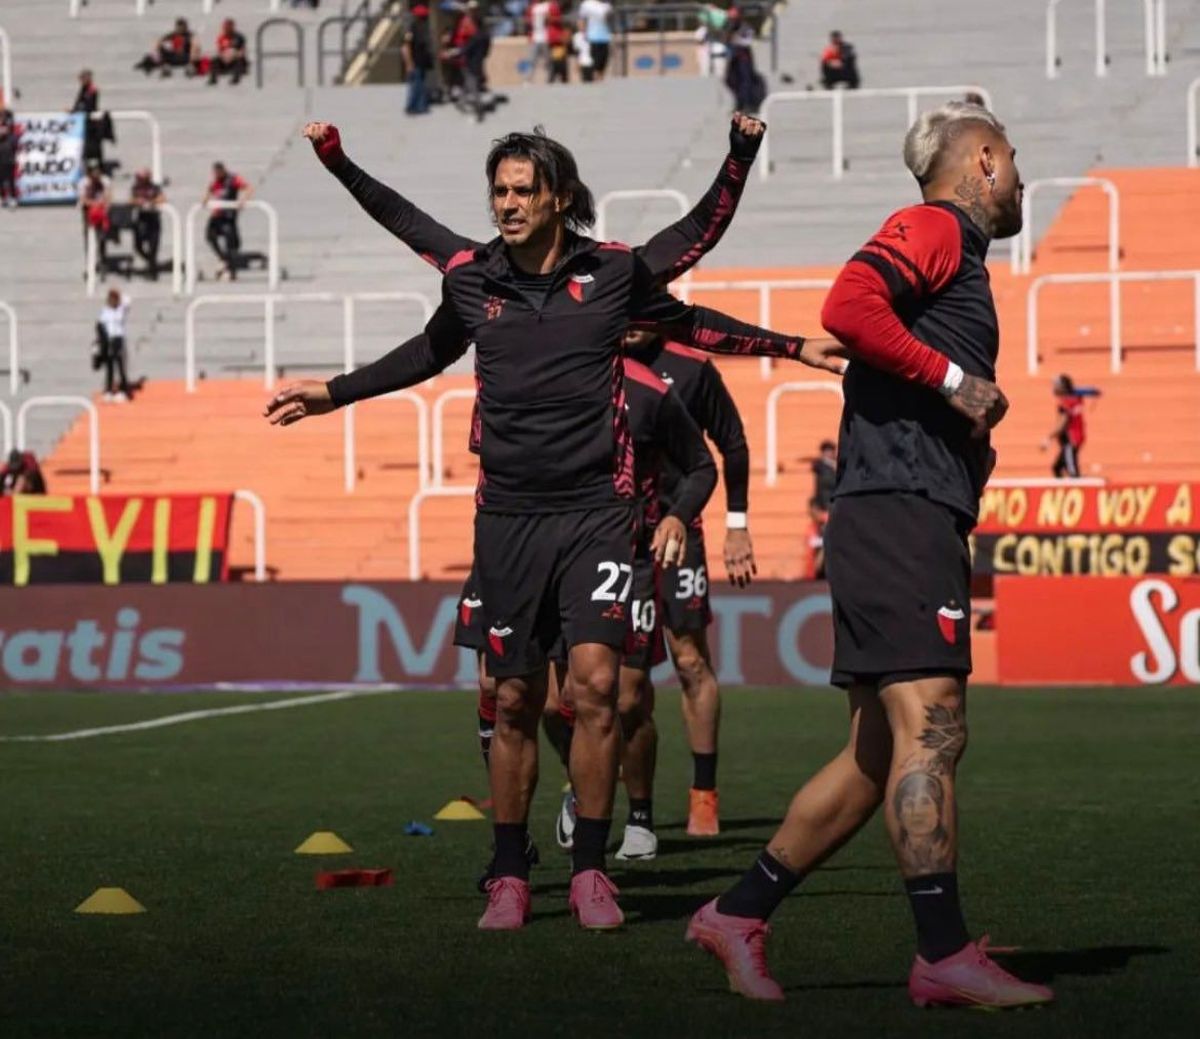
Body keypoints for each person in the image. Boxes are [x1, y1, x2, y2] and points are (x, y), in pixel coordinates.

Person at [266, 118, 849, 933]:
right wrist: (334, 386)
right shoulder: (471, 277)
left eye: (521, 190)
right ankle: (509, 872)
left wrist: (791, 337)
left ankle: (590, 871)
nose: (506, 203)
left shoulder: (610, 273)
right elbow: (414, 287)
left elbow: (697, 294)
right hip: (507, 518)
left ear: (557, 197)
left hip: (597, 518)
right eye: (497, 190)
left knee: (600, 692)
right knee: (510, 698)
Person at [686, 101, 1049, 1011]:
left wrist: (964, 430)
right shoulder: (932, 224)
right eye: (1012, 159)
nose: (1021, 177)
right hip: (898, 511)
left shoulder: (957, 256)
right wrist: (956, 382)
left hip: (898, 507)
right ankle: (942, 952)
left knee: (876, 750)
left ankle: (737, 914)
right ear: (983, 162)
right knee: (934, 725)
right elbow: (846, 306)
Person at [467, 352, 717, 876]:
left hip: (615, 550)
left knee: (619, 696)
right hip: (520, 541)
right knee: (523, 695)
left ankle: (638, 819)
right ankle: (561, 809)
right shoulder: (519, 367)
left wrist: (677, 517)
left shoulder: (649, 390)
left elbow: (705, 462)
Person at [622, 329, 755, 836]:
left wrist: (737, 527)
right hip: (610, 535)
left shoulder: (693, 369)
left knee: (691, 660)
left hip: (680, 529)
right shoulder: (591, 358)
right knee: (609, 680)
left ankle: (704, 794)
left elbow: (733, 445)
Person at [203, 163, 253, 281]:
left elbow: (248, 188)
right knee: (210, 236)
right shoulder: (216, 181)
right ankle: (222, 258)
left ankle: (231, 270)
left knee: (231, 244)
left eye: (218, 172)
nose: (216, 175)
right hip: (217, 215)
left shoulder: (233, 179)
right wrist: (205, 200)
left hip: (228, 216)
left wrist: (243, 200)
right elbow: (209, 191)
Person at [1042, 374, 1097, 478]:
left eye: (1056, 385)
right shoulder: (1075, 398)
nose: (1053, 387)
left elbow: (1063, 423)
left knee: (1072, 472)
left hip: (1071, 440)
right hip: (1077, 437)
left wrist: (1049, 437)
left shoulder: (1065, 403)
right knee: (1057, 468)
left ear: (1062, 387)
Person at [96, 289, 133, 402]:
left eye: (114, 299)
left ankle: (123, 391)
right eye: (110, 299)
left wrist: (120, 297)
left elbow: (128, 300)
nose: (112, 302)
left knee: (120, 366)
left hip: (118, 339)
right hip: (108, 340)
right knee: (110, 366)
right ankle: (108, 390)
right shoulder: (104, 311)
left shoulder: (121, 309)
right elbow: (100, 325)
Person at [724, 15, 765, 114]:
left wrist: (736, 39)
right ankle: (739, 102)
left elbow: (748, 41)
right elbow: (727, 40)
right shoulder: (730, 28)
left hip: (744, 59)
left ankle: (746, 105)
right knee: (730, 80)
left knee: (745, 82)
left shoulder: (746, 28)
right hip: (734, 58)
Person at [808, 439, 836, 578]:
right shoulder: (823, 468)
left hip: (831, 509)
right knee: (826, 539)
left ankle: (821, 568)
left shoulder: (832, 467)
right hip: (826, 509)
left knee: (828, 540)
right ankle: (819, 569)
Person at [130, 170, 166, 278]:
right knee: (138, 246)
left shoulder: (154, 187)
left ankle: (153, 270)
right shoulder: (135, 188)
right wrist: (138, 201)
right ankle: (151, 263)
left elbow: (162, 198)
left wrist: (152, 202)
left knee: (153, 246)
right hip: (141, 219)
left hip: (153, 219)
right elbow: (131, 200)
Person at [135, 19, 201, 77]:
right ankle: (163, 66)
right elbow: (159, 42)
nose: (180, 29)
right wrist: (157, 50)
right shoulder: (172, 35)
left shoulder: (190, 36)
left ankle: (190, 66)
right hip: (172, 57)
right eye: (179, 27)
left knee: (194, 46)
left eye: (182, 27)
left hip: (185, 57)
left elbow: (196, 47)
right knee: (157, 50)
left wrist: (193, 56)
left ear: (185, 27)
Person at [403, 6, 435, 115]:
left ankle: (421, 106)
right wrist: (409, 63)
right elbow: (407, 46)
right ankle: (412, 106)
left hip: (421, 61)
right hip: (416, 61)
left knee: (420, 84)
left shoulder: (422, 28)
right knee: (416, 85)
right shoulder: (413, 29)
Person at [71, 69, 105, 170]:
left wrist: (78, 110)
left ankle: (99, 166)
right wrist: (73, 110)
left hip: (92, 120)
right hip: (83, 119)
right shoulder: (83, 89)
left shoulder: (92, 90)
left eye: (83, 78)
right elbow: (78, 102)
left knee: (95, 145)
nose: (81, 81)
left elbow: (89, 105)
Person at [79, 166, 112, 269]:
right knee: (89, 236)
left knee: (102, 237)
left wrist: (104, 206)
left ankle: (102, 259)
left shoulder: (105, 181)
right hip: (88, 211)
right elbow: (83, 199)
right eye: (94, 176)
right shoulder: (83, 183)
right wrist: (94, 204)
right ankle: (90, 259)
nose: (96, 178)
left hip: (101, 211)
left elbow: (109, 197)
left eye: (98, 176)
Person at [577, 0, 613, 80]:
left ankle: (600, 80)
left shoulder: (606, 5)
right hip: (593, 37)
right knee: (595, 62)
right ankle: (595, 82)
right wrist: (583, 33)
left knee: (603, 62)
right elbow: (581, 19)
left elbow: (609, 19)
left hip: (605, 37)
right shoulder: (587, 4)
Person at [207, 19, 249, 86]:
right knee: (215, 60)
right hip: (225, 58)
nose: (226, 29)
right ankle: (213, 79)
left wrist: (234, 54)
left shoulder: (239, 37)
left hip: (236, 57)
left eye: (228, 27)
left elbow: (242, 51)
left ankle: (235, 79)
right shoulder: (221, 37)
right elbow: (220, 51)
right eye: (225, 27)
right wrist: (224, 57)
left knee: (239, 60)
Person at [526, 0, 559, 82]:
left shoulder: (551, 5)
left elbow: (558, 19)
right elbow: (528, 20)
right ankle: (528, 79)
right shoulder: (533, 6)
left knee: (549, 60)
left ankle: (551, 79)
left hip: (547, 38)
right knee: (531, 59)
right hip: (535, 37)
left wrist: (549, 18)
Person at [0, 102, 18, 208]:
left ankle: (13, 198)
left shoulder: (9, 124)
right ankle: (3, 198)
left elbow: (13, 140)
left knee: (10, 179)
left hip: (9, 156)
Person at [547, 13, 570, 84]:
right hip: (554, 55)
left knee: (564, 76)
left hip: (562, 54)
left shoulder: (562, 28)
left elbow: (567, 40)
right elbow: (552, 40)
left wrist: (564, 38)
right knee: (552, 76)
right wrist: (561, 38)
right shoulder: (551, 29)